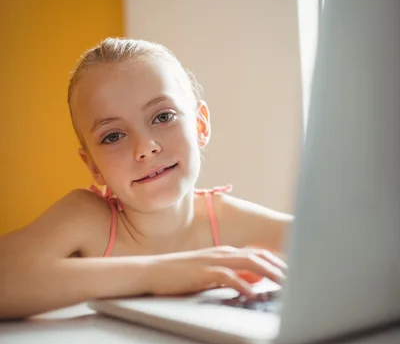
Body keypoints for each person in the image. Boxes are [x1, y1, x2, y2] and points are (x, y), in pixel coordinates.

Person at [0, 37, 293, 319]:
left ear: (200, 125)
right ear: (93, 166)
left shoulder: (229, 220)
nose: (145, 148)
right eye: (113, 136)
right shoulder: (87, 218)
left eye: (163, 117)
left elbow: (331, 241)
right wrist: (158, 273)